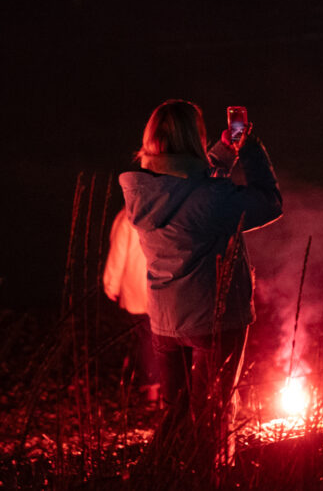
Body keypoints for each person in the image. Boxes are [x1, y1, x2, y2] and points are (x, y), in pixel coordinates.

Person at [119, 99, 282, 471]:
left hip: (165, 322)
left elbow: (185, 187)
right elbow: (269, 203)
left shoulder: (143, 191)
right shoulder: (211, 197)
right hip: (213, 319)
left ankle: (159, 476)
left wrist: (224, 153)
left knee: (177, 413)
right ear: (194, 139)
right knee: (212, 419)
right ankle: (199, 478)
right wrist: (251, 149)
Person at [102, 209, 159, 403]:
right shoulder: (166, 209)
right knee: (162, 336)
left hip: (138, 287)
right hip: (164, 286)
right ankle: (166, 386)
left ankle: (152, 387)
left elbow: (118, 253)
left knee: (145, 336)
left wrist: (111, 284)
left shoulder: (127, 216)